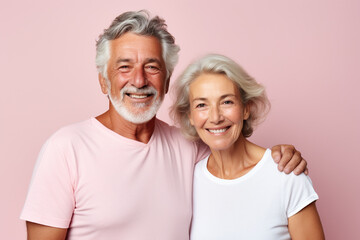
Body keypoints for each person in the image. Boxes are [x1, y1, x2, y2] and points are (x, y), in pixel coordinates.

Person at [20, 11, 308, 240]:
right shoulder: (66, 149)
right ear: (103, 81)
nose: (139, 80)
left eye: (152, 66)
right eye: (124, 67)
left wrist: (279, 155)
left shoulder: (189, 147)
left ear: (167, 80)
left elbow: (237, 163)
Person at [171, 54, 325, 239]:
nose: (215, 117)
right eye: (202, 105)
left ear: (245, 108)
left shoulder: (285, 174)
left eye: (227, 102)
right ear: (190, 116)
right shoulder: (189, 181)